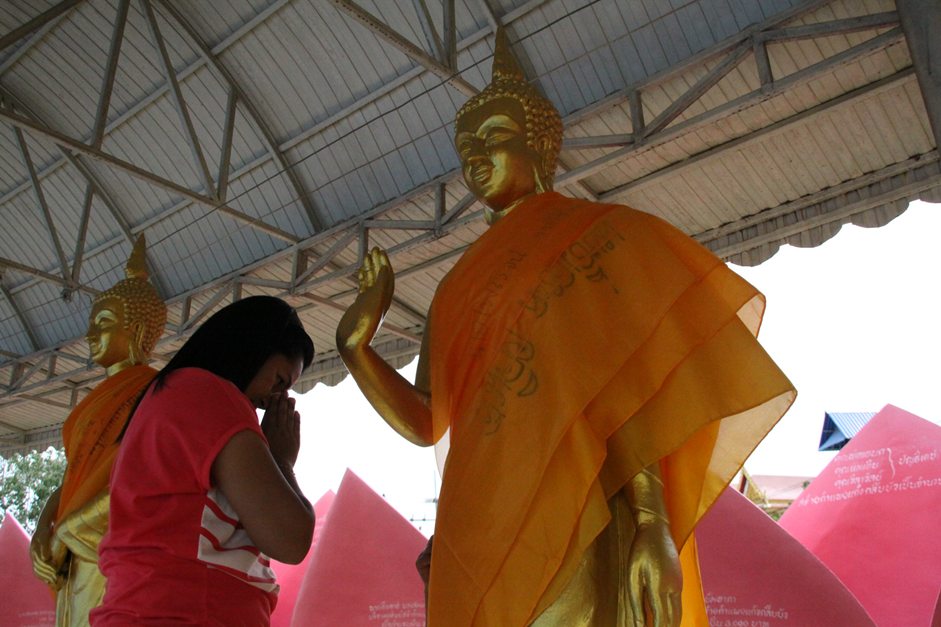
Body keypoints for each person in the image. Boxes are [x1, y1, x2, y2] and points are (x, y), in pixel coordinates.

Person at [337, 29, 796, 627]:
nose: (477, 153)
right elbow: (428, 421)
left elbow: (632, 393)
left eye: (496, 136)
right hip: (479, 521)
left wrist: (653, 524)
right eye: (466, 144)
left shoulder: (595, 243)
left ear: (539, 147)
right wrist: (357, 351)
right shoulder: (455, 291)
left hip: (574, 503)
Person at [90, 295, 315, 626]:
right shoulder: (207, 392)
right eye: (279, 381)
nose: (274, 400)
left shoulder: (173, 394)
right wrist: (281, 461)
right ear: (249, 349)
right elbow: (291, 539)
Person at [30, 235, 167, 626]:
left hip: (106, 546)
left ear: (139, 329)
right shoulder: (90, 406)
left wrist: (70, 529)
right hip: (69, 557)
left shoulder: (155, 392)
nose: (91, 333)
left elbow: (138, 477)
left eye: (104, 323)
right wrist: (45, 527)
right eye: (91, 322)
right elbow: (75, 476)